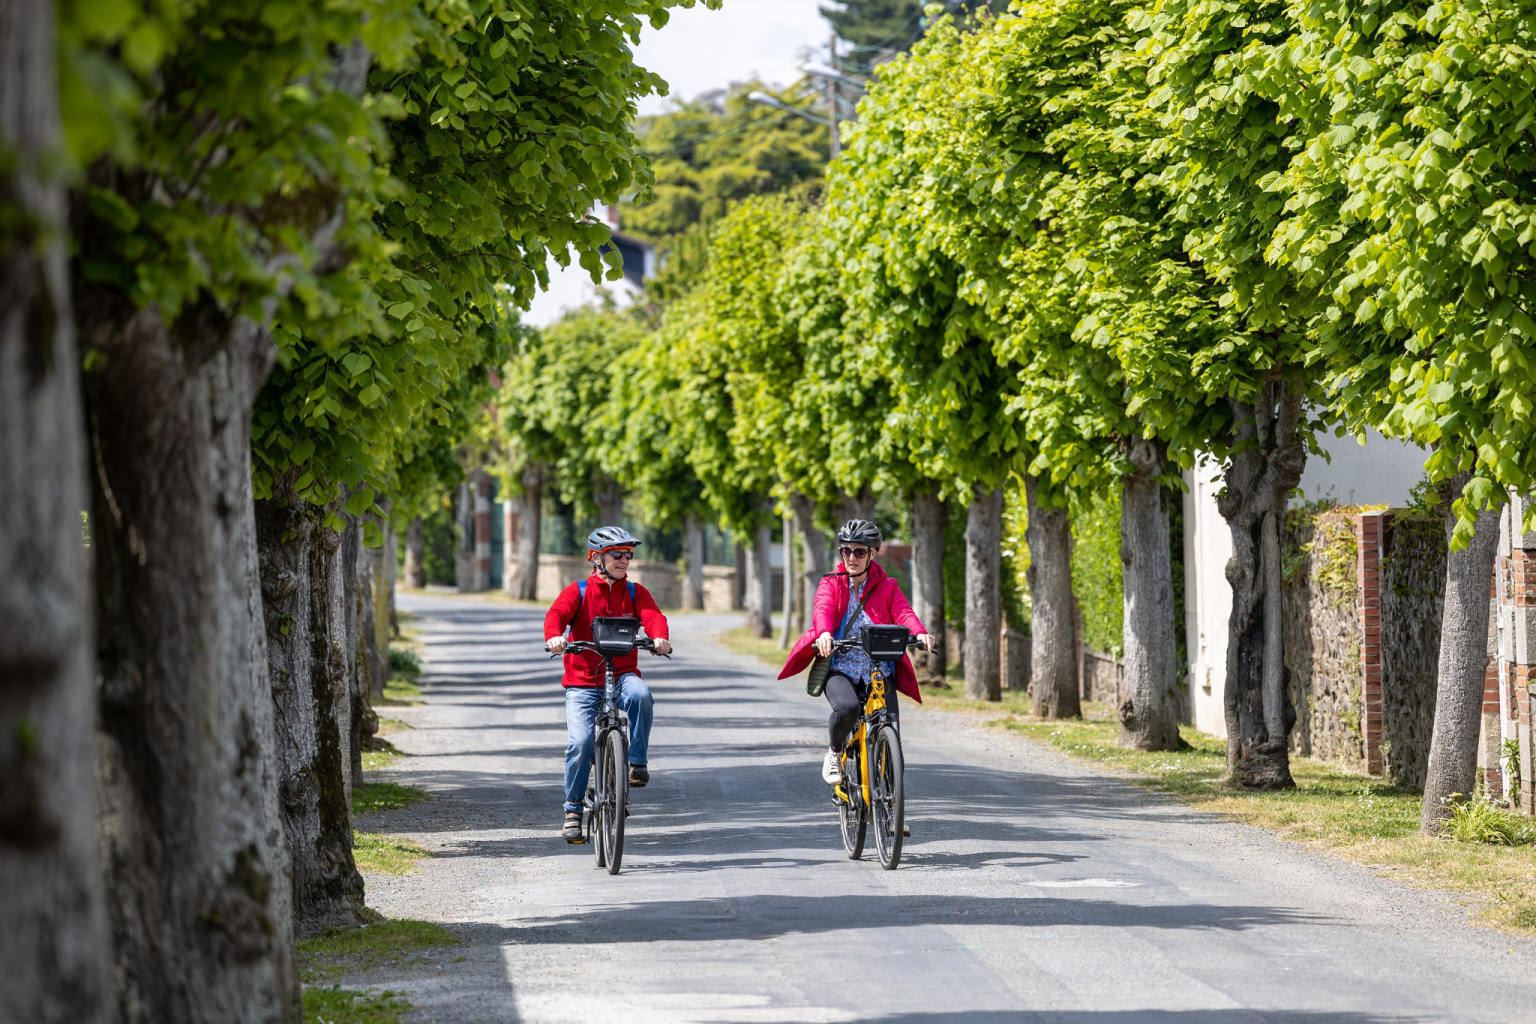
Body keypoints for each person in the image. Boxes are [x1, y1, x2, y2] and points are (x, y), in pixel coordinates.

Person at [777, 519, 934, 785]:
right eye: (846, 551)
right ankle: (834, 752)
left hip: (878, 670)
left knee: (890, 727)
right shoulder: (831, 583)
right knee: (847, 708)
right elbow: (823, 608)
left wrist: (919, 632)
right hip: (841, 668)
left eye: (859, 551)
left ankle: (889, 798)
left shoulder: (888, 586)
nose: (851, 557)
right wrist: (824, 633)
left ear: (872, 554)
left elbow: (903, 612)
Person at [545, 525, 672, 842]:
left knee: (641, 696)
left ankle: (636, 763)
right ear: (596, 558)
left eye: (628, 555)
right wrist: (555, 637)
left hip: (623, 675)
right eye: (617, 554)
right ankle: (573, 810)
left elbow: (653, 617)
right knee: (580, 743)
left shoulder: (635, 593)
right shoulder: (579, 591)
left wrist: (659, 638)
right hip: (583, 683)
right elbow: (556, 615)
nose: (624, 560)